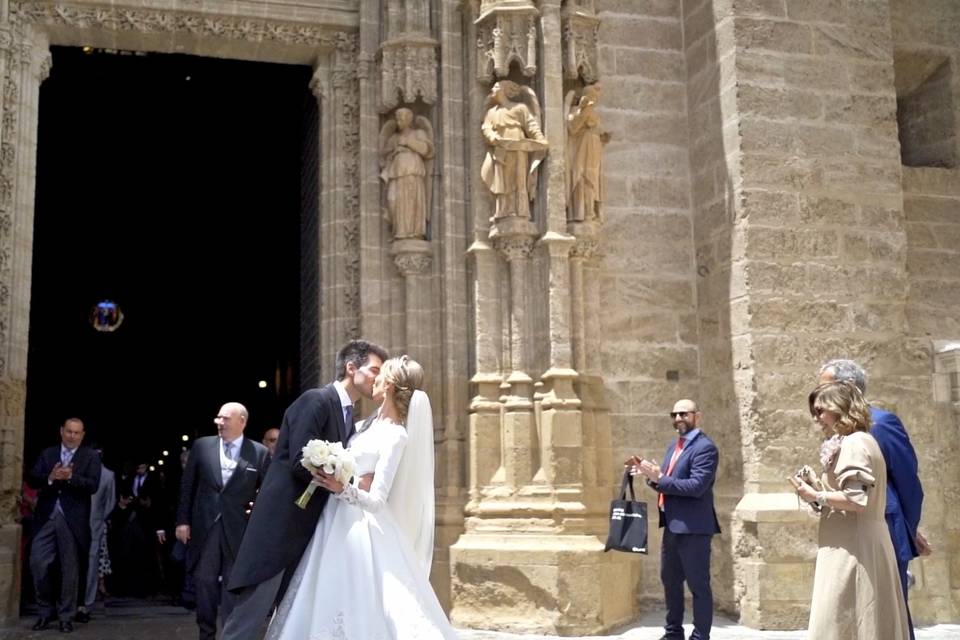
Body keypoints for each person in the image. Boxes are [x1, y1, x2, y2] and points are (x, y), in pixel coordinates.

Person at [265, 355, 454, 639]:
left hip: (361, 528)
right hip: (333, 519)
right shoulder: (364, 424)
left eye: (379, 376)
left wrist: (344, 489)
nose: (373, 381)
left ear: (389, 386)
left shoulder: (396, 436)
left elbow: (378, 500)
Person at [221, 339, 388, 640]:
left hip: (307, 528)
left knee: (286, 614)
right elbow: (299, 459)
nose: (379, 377)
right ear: (352, 368)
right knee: (250, 615)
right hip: (281, 525)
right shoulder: (316, 400)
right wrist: (342, 477)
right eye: (374, 369)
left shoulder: (347, 415)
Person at [818, 358, 928, 639]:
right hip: (848, 531)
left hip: (883, 526)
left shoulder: (880, 423)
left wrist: (909, 528)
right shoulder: (838, 428)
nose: (819, 399)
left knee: (888, 613)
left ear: (849, 387)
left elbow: (907, 480)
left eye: (825, 389)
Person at [793, 381, 909, 639]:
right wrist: (817, 489)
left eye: (821, 410)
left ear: (839, 408)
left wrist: (816, 494)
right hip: (853, 542)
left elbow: (856, 501)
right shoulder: (859, 440)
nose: (817, 418)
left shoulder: (855, 443)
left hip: (853, 549)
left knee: (845, 622)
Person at [175, 402, 270, 640]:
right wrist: (182, 521)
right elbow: (187, 486)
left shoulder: (258, 452)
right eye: (218, 418)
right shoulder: (202, 446)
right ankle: (206, 633)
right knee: (204, 582)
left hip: (239, 529)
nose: (219, 422)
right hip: (205, 526)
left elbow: (267, 493)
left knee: (233, 585)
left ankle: (230, 634)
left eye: (225, 418)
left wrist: (257, 515)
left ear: (242, 421)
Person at [628, 399, 720, 640]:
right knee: (670, 581)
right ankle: (673, 633)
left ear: (696, 416)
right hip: (672, 526)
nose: (678, 418)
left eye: (684, 414)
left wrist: (659, 477)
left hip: (694, 528)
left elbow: (696, 486)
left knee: (698, 585)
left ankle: (700, 636)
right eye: (674, 415)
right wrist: (650, 476)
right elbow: (667, 484)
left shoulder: (705, 448)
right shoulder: (674, 446)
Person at [26, 417, 102, 633]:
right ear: (61, 431)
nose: (72, 436)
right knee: (37, 562)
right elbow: (32, 478)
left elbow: (93, 485)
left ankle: (66, 616)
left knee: (70, 570)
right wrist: (50, 477)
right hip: (46, 517)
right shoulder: (48, 453)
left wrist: (70, 477)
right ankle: (45, 611)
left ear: (82, 435)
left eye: (77, 432)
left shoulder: (90, 457)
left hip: (73, 520)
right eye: (69, 431)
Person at [480, 80, 548, 221]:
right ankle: (503, 211)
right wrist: (493, 137)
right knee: (502, 180)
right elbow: (486, 128)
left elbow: (531, 126)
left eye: (496, 87)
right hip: (501, 148)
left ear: (504, 90)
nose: (493, 89)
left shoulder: (520, 108)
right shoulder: (491, 112)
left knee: (518, 178)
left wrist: (540, 139)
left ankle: (520, 211)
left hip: (518, 146)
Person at [379, 106, 435, 240]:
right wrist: (393, 151)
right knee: (392, 200)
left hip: (412, 171)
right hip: (396, 172)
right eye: (397, 118)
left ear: (409, 119)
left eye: (401, 118)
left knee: (411, 200)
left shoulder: (418, 133)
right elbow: (383, 153)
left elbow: (426, 150)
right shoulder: (394, 138)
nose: (398, 121)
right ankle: (398, 231)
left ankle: (413, 233)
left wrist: (408, 143)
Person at [77, 442, 115, 623]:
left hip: (94, 525)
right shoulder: (76, 470)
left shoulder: (108, 475)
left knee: (91, 565)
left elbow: (110, 502)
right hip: (75, 523)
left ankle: (86, 604)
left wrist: (99, 519)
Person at [566, 83, 609, 222]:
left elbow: (596, 129)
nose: (594, 102)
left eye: (595, 99)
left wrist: (603, 138)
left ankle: (590, 213)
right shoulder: (576, 111)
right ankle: (580, 212)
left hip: (594, 148)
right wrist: (584, 110)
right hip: (582, 148)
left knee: (592, 180)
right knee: (581, 177)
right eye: (592, 98)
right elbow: (572, 128)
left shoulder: (594, 115)